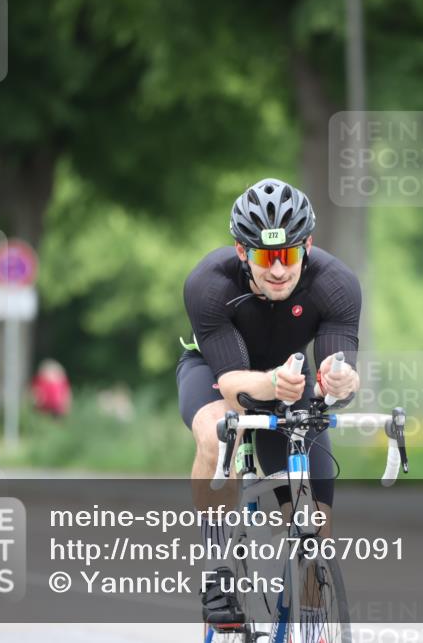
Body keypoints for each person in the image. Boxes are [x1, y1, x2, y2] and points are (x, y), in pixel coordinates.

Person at [177, 178, 361, 629]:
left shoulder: (336, 284)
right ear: (242, 252)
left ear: (308, 246)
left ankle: (311, 615)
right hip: (217, 373)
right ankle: (218, 569)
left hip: (291, 384)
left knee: (313, 531)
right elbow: (230, 384)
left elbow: (338, 371)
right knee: (220, 429)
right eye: (264, 256)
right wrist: (271, 382)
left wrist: (340, 380)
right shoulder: (209, 284)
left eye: (288, 255)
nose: (278, 270)